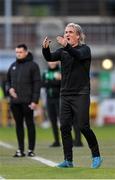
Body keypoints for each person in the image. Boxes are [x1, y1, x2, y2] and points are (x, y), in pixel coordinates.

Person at [42, 23, 103, 168]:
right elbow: (50, 58)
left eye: (70, 32)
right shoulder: (63, 51)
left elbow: (78, 55)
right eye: (65, 32)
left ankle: (96, 156)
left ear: (78, 35)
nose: (67, 34)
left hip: (81, 93)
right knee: (64, 127)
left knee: (83, 126)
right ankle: (68, 160)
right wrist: (45, 49)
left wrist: (66, 46)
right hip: (65, 94)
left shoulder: (85, 49)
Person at [6, 44, 41, 157]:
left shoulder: (33, 66)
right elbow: (7, 82)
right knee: (18, 125)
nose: (18, 54)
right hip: (15, 102)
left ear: (26, 52)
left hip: (28, 102)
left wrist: (35, 101)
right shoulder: (12, 66)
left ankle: (31, 150)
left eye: (20, 52)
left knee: (30, 124)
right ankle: (20, 150)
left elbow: (37, 84)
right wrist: (9, 89)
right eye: (17, 52)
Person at [42, 61, 61, 147]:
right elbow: (42, 84)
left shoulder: (61, 71)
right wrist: (54, 80)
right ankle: (56, 141)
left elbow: (61, 83)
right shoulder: (45, 72)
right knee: (53, 121)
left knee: (63, 121)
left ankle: (68, 139)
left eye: (54, 61)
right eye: (50, 61)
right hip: (49, 99)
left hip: (60, 99)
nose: (52, 63)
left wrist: (49, 82)